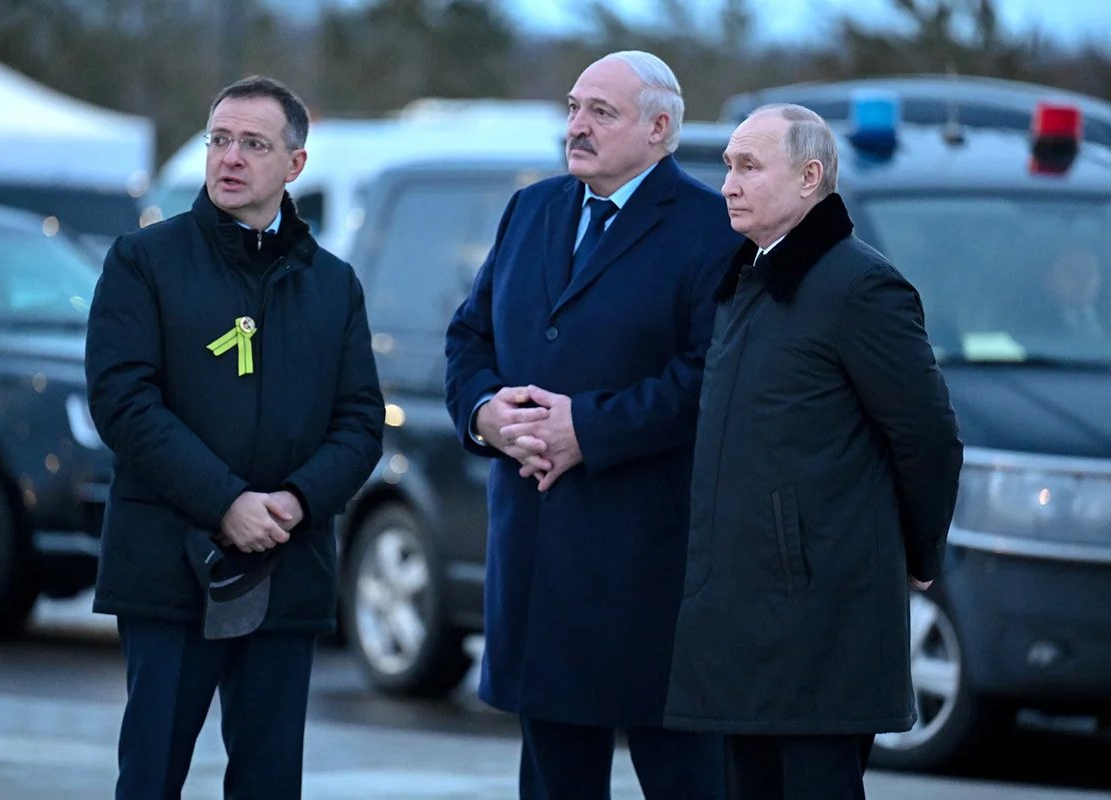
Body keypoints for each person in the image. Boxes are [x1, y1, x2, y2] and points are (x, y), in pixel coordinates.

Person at [444, 50, 739, 799]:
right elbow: (470, 335)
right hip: (538, 557)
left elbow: (711, 375)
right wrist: (485, 414)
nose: (577, 126)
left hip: (650, 571)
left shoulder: (713, 228)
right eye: (573, 108)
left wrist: (589, 429)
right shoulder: (532, 208)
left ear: (659, 128)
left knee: (688, 782)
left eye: (601, 112)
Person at [85, 75, 384, 800]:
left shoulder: (333, 284)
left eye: (254, 143)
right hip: (168, 566)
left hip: (288, 564)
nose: (230, 157)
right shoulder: (144, 261)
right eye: (220, 139)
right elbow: (124, 403)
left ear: (295, 164)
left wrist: (295, 502)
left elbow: (359, 422)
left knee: (270, 781)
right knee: (151, 776)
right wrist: (226, 502)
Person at [663, 104, 963, 800]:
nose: (728, 184)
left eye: (748, 166)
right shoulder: (747, 281)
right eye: (727, 166)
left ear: (809, 177)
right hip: (742, 616)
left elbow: (928, 436)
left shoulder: (859, 286)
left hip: (821, 619)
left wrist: (919, 554)